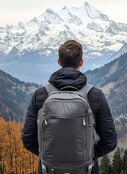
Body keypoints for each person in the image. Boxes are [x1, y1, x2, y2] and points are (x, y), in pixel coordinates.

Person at [22, 40, 117, 174]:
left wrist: (46, 155)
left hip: (49, 169)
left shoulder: (41, 95)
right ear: (81, 62)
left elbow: (28, 138)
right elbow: (110, 141)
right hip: (86, 169)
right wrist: (90, 154)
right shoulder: (95, 95)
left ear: (59, 62)